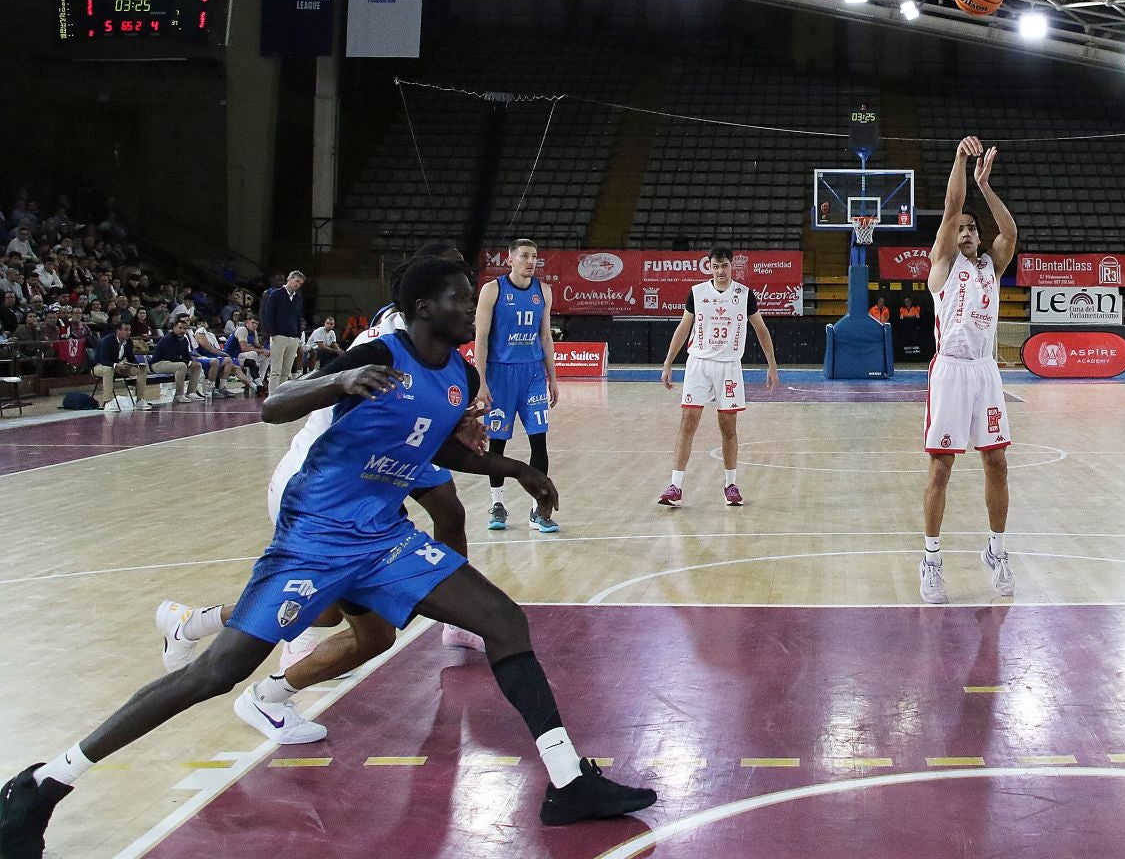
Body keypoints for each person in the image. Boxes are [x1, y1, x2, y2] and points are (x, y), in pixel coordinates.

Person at [0, 258, 656, 852]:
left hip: (382, 537)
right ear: (426, 309)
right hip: (314, 535)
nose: (469, 309)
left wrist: (510, 467)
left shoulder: (462, 374)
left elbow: (435, 451)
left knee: (506, 621)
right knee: (218, 671)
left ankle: (570, 784)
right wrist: (342, 382)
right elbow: (272, 406)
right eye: (459, 299)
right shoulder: (380, 352)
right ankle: (45, 782)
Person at [152, 245, 488, 743]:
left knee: (379, 606)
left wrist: (454, 423)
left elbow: (418, 433)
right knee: (327, 610)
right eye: (458, 287)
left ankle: (202, 632)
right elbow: (289, 401)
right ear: (426, 296)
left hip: (366, 481)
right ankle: (254, 664)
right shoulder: (391, 344)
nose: (468, 299)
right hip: (317, 486)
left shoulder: (426, 345)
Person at [918, 137, 1018, 605]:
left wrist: (987, 185)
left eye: (971, 229)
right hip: (951, 372)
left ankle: (996, 551)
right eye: (959, 229)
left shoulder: (990, 269)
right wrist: (960, 160)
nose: (965, 233)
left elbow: (1010, 234)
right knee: (942, 468)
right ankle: (931, 560)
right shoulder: (943, 264)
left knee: (996, 462)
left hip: (985, 373)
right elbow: (952, 203)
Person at [657, 247, 781, 507]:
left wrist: (772, 365)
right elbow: (683, 327)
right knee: (688, 421)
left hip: (729, 366)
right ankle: (675, 486)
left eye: (724, 265)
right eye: (716, 266)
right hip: (698, 364)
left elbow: (761, 329)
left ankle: (731, 484)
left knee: (728, 427)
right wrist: (668, 362)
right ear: (709, 267)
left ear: (732, 266)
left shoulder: (745, 295)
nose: (720, 271)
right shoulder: (697, 293)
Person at [474, 240, 561, 534]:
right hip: (500, 375)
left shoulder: (543, 292)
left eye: (534, 257)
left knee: (540, 440)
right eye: (524, 256)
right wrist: (481, 381)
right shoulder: (493, 290)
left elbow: (546, 337)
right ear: (509, 260)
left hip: (533, 374)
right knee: (497, 442)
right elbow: (481, 338)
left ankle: (539, 508)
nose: (531, 261)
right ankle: (497, 502)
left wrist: (553, 377)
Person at [91, 322, 156, 410]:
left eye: (129, 330)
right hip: (99, 366)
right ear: (118, 331)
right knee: (108, 370)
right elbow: (103, 359)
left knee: (142, 369)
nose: (129, 332)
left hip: (118, 366)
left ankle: (140, 400)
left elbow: (131, 358)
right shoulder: (106, 341)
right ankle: (108, 402)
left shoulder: (128, 342)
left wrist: (137, 364)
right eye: (126, 330)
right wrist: (115, 365)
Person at [261, 271, 307, 394]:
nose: (298, 284)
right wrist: (273, 333)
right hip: (279, 336)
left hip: (293, 337)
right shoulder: (276, 294)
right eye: (296, 281)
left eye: (300, 283)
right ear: (289, 279)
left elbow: (298, 317)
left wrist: (298, 335)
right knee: (276, 370)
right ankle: (272, 396)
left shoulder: (297, 297)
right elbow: (268, 315)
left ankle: (280, 396)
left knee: (286, 371)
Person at [150, 317, 208, 404]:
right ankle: (179, 394)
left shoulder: (184, 340)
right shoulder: (168, 339)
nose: (182, 330)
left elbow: (186, 356)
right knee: (182, 365)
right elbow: (170, 357)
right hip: (158, 364)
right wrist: (188, 362)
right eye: (180, 328)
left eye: (184, 329)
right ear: (174, 328)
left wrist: (192, 362)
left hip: (171, 363)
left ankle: (191, 392)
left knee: (197, 365)